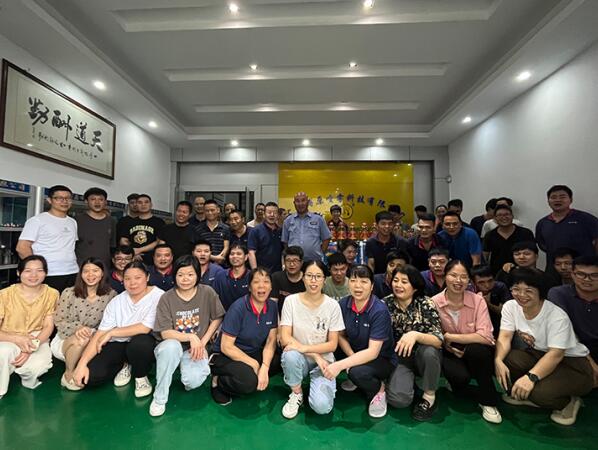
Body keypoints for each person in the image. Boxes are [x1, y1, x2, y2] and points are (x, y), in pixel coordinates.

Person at [496, 268, 593, 425]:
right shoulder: (510, 306)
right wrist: (498, 360)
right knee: (509, 359)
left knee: (539, 393)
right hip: (539, 354)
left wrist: (531, 377)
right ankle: (531, 392)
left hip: (573, 365)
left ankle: (569, 402)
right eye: (516, 289)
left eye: (529, 290)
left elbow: (556, 354)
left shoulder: (556, 316)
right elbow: (505, 336)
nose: (521, 295)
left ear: (540, 292)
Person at [72, 261, 163, 398]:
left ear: (147, 277)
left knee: (140, 343)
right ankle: (125, 365)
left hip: (144, 343)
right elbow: (100, 334)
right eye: (127, 278)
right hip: (119, 343)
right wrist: (81, 364)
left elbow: (145, 328)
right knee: (90, 378)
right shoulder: (117, 301)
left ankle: (141, 376)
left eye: (138, 278)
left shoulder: (159, 296)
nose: (132, 283)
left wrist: (112, 332)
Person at [150, 255, 225, 416]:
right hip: (172, 345)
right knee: (171, 348)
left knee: (193, 381)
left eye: (190, 274)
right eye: (181, 274)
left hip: (195, 349)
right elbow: (165, 332)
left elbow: (217, 317)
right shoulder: (166, 298)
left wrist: (202, 342)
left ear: (198, 274)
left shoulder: (207, 292)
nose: (185, 279)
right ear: (174, 276)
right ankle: (159, 398)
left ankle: (183, 367)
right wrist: (191, 337)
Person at [432, 260, 502, 424]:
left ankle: (488, 401)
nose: (458, 281)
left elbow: (486, 336)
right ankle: (454, 382)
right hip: (450, 350)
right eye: (453, 275)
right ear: (445, 276)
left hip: (476, 348)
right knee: (459, 379)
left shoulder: (478, 301)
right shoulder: (434, 302)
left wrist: (450, 337)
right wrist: (446, 343)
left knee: (477, 351)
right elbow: (433, 332)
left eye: (463, 277)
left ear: (469, 280)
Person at [323, 265, 396, 418]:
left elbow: (373, 352)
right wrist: (351, 358)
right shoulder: (343, 304)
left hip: (381, 358)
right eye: (353, 280)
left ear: (372, 286)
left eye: (364, 281)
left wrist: (342, 365)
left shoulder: (379, 311)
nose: (358, 286)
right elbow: (340, 335)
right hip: (354, 351)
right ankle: (355, 375)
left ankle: (379, 389)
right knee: (330, 347)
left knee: (357, 372)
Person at [279, 260, 345, 419]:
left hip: (324, 361)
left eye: (318, 276)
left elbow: (332, 345)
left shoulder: (333, 306)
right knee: (290, 355)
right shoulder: (291, 301)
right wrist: (314, 355)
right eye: (309, 275)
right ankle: (297, 393)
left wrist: (309, 351)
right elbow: (285, 337)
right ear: (303, 277)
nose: (313, 281)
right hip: (299, 357)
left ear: (324, 279)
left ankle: (319, 389)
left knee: (322, 407)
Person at [210, 268, 280, 405]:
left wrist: (265, 367)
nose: (261, 286)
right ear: (249, 287)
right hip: (225, 355)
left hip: (251, 351)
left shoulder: (272, 306)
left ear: (271, 287)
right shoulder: (238, 308)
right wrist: (254, 364)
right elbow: (226, 347)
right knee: (249, 383)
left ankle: (245, 373)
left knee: (278, 362)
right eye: (256, 282)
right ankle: (218, 381)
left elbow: (271, 340)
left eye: (266, 282)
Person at [384, 265, 443, 421]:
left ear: (415, 287)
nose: (398, 285)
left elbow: (438, 340)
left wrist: (415, 335)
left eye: (404, 282)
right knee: (398, 401)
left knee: (430, 352)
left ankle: (429, 397)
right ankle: (410, 382)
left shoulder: (426, 303)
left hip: (424, 355)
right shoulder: (385, 303)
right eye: (395, 280)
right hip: (400, 357)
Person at [51, 258, 116, 390]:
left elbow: (112, 322)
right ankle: (69, 372)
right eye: (86, 271)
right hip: (66, 337)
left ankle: (79, 367)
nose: (90, 275)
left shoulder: (111, 295)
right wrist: (78, 328)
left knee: (87, 342)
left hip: (94, 339)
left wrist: (94, 334)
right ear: (81, 274)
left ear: (102, 273)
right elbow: (59, 320)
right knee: (81, 339)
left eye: (95, 270)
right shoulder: (69, 293)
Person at [0, 255, 58, 399]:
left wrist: (31, 347)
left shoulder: (52, 294)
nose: (34, 275)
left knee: (38, 367)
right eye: (28, 271)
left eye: (39, 270)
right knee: (3, 353)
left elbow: (48, 326)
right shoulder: (4, 295)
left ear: (46, 273)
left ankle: (25, 375)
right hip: (7, 336)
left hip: (36, 336)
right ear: (18, 273)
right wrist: (17, 339)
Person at [16, 185, 78, 293]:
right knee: (48, 303)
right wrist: (37, 270)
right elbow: (22, 248)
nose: (64, 201)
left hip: (72, 271)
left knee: (70, 303)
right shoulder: (37, 220)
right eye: (59, 198)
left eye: (68, 198)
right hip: (49, 273)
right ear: (49, 200)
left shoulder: (72, 222)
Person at [548, 255, 598, 385]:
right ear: (572, 275)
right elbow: (565, 331)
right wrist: (590, 362)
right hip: (572, 348)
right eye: (581, 274)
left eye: (594, 275)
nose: (587, 279)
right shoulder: (558, 294)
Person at [535, 185, 598, 266]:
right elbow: (542, 245)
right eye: (553, 197)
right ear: (548, 201)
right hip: (554, 268)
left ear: (571, 200)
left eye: (562, 197)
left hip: (583, 268)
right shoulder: (543, 223)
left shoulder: (585, 218)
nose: (558, 200)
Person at [483, 204, 535, 275]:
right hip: (497, 274)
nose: (504, 217)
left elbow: (533, 255)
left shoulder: (526, 233)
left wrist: (532, 273)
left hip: (522, 273)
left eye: (507, 214)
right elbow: (485, 257)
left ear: (512, 216)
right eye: (500, 215)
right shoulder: (489, 235)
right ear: (494, 218)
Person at [282, 192, 331, 263]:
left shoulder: (318, 219)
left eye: (303, 200)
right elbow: (285, 242)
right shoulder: (288, 221)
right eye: (297, 201)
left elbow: (326, 238)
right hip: (294, 262)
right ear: (294, 203)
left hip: (314, 261)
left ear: (308, 202)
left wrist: (320, 253)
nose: (300, 204)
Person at [75, 187, 116, 270]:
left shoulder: (111, 221)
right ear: (86, 201)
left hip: (104, 267)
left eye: (101, 199)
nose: (97, 202)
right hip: (82, 267)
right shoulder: (76, 220)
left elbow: (112, 246)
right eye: (93, 199)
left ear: (105, 202)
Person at [121, 194, 165, 266]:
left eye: (146, 202)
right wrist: (132, 252)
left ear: (151, 205)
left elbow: (159, 241)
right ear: (136, 205)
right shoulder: (129, 222)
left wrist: (139, 250)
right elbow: (123, 240)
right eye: (140, 202)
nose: (143, 205)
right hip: (133, 259)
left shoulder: (159, 222)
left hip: (152, 260)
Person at [471, 265, 511, 337]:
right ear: (473, 282)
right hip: (475, 326)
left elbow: (505, 313)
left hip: (499, 324)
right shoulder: (469, 291)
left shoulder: (500, 287)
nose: (487, 285)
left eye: (490, 281)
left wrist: (488, 304)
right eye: (481, 282)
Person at [191, 199, 230, 266]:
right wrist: (215, 258)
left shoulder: (226, 228)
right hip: (203, 266)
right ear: (204, 211)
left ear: (218, 210)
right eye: (207, 211)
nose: (210, 213)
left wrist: (220, 258)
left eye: (212, 210)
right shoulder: (198, 229)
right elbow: (196, 250)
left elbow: (226, 247)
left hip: (222, 266)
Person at [212, 243, 250, 311]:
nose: (235, 256)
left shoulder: (252, 276)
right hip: (224, 316)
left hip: (246, 315)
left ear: (246, 257)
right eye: (232, 254)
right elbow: (214, 299)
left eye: (239, 254)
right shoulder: (220, 276)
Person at [248, 201, 283, 273]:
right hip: (261, 272)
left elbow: (283, 251)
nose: (272, 215)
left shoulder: (281, 231)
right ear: (264, 214)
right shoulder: (255, 231)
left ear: (278, 215)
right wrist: (255, 272)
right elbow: (251, 253)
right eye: (269, 212)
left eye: (275, 213)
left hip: (278, 272)